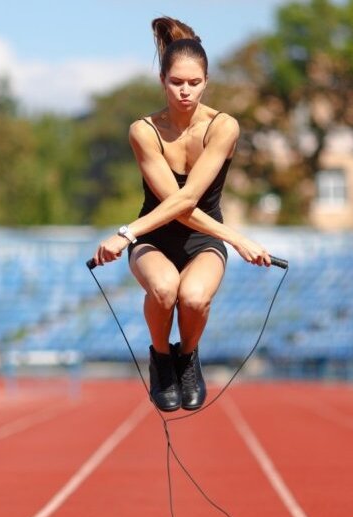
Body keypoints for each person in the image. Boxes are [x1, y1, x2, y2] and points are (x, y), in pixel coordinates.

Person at [90, 16, 272, 412]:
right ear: (162, 80)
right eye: (176, 82)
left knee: (192, 298)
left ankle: (187, 358)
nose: (185, 91)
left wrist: (122, 234)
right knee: (164, 289)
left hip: (203, 239)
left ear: (206, 81)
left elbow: (190, 201)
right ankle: (160, 358)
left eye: (194, 82)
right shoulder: (144, 131)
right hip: (154, 236)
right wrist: (131, 235)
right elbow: (175, 204)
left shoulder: (223, 127)